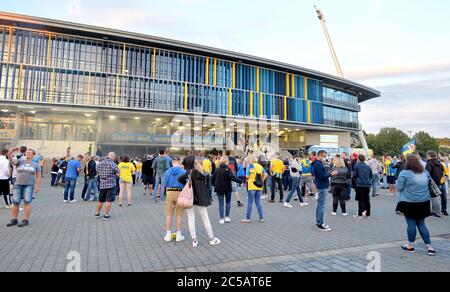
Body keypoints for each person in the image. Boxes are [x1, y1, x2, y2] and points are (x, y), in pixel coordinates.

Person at [396, 155, 436, 256]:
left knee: (411, 224)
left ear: (407, 163)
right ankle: (429, 247)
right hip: (424, 202)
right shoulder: (425, 172)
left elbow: (399, 188)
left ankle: (410, 245)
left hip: (409, 202)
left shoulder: (404, 173)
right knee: (421, 224)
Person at [178, 158, 221, 247]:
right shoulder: (205, 174)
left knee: (191, 219)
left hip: (190, 198)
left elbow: (180, 178)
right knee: (205, 219)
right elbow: (209, 188)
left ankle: (194, 240)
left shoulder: (190, 172)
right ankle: (211, 238)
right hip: (201, 199)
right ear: (202, 164)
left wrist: (187, 183)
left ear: (194, 164)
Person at [6, 147, 41, 228]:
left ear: (33, 155)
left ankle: (26, 220)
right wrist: (10, 152)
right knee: (15, 202)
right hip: (17, 185)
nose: (28, 153)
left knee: (27, 202)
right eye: (27, 152)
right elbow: (11, 161)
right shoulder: (20, 162)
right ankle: (14, 219)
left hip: (29, 185)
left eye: (30, 152)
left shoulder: (36, 165)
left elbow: (38, 176)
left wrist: (37, 187)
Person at [311, 150, 338, 231]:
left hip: (321, 185)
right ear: (321, 155)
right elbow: (322, 176)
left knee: (320, 205)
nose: (325, 158)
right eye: (325, 156)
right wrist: (331, 174)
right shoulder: (318, 164)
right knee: (321, 205)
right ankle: (320, 223)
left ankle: (319, 222)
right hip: (322, 186)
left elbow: (319, 175)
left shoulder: (316, 163)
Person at [163, 156, 187, 242]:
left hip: (170, 192)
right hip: (180, 193)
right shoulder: (183, 171)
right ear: (179, 162)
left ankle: (168, 234)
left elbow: (165, 183)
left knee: (169, 214)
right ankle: (178, 234)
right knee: (179, 214)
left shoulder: (167, 171)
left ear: (172, 162)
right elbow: (186, 183)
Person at [212, 156, 242, 224]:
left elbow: (213, 179)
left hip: (219, 188)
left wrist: (215, 185)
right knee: (228, 202)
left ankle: (221, 218)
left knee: (221, 204)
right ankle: (227, 217)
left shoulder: (217, 169)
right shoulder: (228, 169)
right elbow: (233, 178)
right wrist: (240, 181)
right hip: (227, 188)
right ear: (226, 162)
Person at [242, 154, 268, 224]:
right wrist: (261, 180)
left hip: (251, 186)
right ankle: (261, 218)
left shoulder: (249, 166)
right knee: (258, 202)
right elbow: (266, 174)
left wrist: (248, 178)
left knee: (250, 202)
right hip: (259, 186)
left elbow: (247, 176)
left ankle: (247, 218)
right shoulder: (260, 166)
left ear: (250, 159)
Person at [95, 152, 120, 221]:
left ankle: (97, 214)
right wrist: (114, 175)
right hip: (111, 185)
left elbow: (97, 171)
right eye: (114, 157)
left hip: (102, 184)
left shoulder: (100, 163)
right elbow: (118, 173)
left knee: (100, 200)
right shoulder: (113, 164)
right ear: (112, 157)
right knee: (108, 201)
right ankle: (106, 215)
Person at [426, 151, 447, 216]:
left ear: (429, 155)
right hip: (439, 182)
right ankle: (437, 211)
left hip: (431, 182)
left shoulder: (429, 163)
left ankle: (435, 212)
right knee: (436, 197)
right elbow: (442, 173)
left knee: (432, 197)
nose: (426, 157)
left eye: (427, 155)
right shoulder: (439, 163)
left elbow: (427, 173)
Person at [353, 155, 373, 219]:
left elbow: (354, 175)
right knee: (367, 199)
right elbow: (371, 176)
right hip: (367, 185)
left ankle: (360, 214)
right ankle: (368, 214)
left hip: (360, 184)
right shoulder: (368, 167)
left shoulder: (357, 165)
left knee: (360, 200)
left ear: (358, 159)